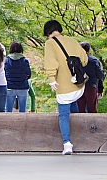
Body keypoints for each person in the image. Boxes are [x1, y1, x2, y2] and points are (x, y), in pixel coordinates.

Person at [43, 19, 88, 155]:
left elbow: (51, 62)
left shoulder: (50, 43)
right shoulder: (72, 41)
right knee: (73, 106)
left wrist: (51, 79)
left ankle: (67, 143)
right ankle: (80, 137)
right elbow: (84, 59)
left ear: (48, 33)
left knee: (63, 115)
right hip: (78, 85)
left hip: (63, 87)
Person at [77, 41, 105, 113]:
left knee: (80, 110)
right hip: (91, 87)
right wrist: (100, 89)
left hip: (78, 87)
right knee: (92, 109)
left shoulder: (75, 61)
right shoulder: (93, 60)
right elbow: (100, 75)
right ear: (89, 50)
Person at [4, 41, 31, 113]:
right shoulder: (25, 61)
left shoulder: (6, 60)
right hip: (22, 87)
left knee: (8, 110)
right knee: (22, 111)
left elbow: (4, 73)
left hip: (9, 86)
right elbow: (29, 74)